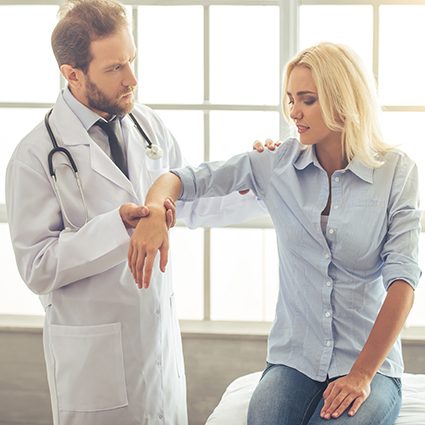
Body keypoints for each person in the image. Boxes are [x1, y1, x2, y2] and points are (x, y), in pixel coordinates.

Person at [127, 42, 421, 425]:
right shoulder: (275, 165)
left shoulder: (397, 172)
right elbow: (180, 179)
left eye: (307, 100)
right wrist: (152, 213)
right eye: (290, 99)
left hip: (367, 362)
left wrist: (362, 375)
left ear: (342, 100)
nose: (293, 112)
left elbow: (403, 281)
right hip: (294, 360)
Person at [5, 1, 267, 424]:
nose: (132, 79)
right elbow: (37, 267)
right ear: (72, 73)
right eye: (113, 69)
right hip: (93, 367)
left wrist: (258, 184)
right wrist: (117, 227)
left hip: (157, 352)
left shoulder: (149, 127)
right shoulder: (34, 156)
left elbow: (188, 204)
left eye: (131, 61)